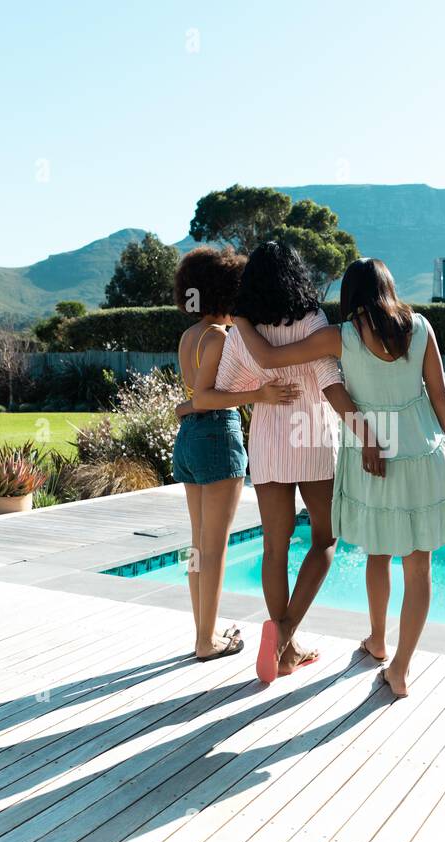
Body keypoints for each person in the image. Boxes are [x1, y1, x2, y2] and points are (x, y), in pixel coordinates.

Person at [230, 257, 445, 697]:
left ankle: (375, 641)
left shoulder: (341, 338)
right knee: (419, 568)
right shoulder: (421, 327)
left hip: (376, 455)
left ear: (350, 297)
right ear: (389, 288)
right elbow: (441, 396)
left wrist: (240, 319)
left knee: (379, 552)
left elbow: (271, 356)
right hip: (426, 453)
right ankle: (400, 668)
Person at [192, 241, 366, 683]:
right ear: (297, 275)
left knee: (274, 546)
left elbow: (215, 393)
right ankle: (285, 637)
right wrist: (370, 435)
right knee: (325, 539)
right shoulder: (313, 322)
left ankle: (285, 646)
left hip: (268, 444)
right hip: (312, 440)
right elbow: (331, 385)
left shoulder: (244, 333)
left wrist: (259, 390)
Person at [171, 246, 299, 661]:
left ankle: (202, 632)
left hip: (189, 438)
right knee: (216, 546)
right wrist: (259, 393)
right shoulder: (219, 337)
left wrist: (189, 406)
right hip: (216, 438)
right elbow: (209, 396)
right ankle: (207, 641)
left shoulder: (189, 335)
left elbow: (194, 397)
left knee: (197, 546)